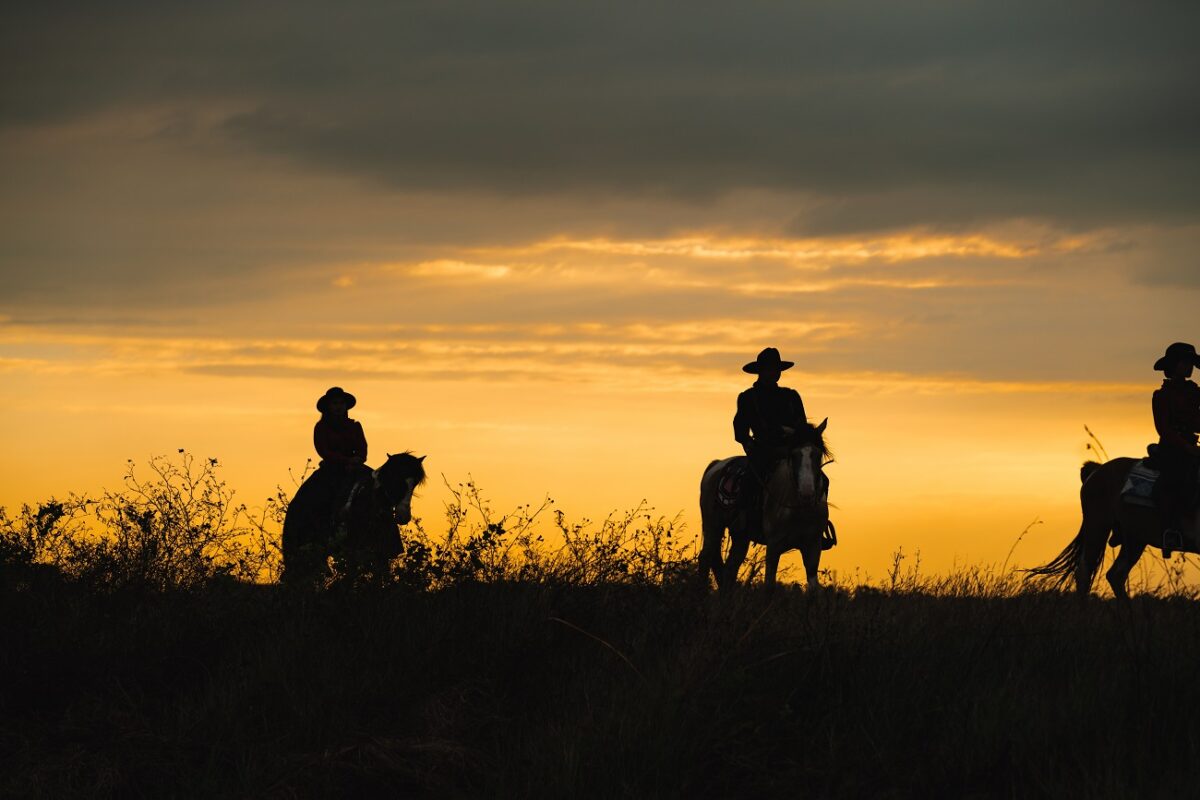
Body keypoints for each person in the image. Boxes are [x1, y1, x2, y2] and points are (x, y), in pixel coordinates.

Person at [733, 347, 809, 531]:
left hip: (791, 449)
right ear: (760, 371)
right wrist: (748, 444)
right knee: (751, 478)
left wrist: (795, 433)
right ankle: (742, 519)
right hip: (763, 449)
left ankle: (815, 523)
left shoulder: (791, 396)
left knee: (816, 476)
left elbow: (802, 424)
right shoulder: (748, 398)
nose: (774, 373)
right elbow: (740, 428)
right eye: (769, 369)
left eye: (776, 369)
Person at [1151, 343, 1200, 552]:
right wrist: (1188, 448)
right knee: (1174, 481)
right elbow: (1164, 429)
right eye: (1185, 362)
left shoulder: (1194, 392)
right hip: (1173, 449)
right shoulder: (1161, 395)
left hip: (1192, 445)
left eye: (1191, 363)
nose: (1189, 367)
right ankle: (1170, 530)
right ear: (1174, 366)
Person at [311, 386, 372, 525]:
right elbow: (323, 451)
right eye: (335, 403)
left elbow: (363, 447)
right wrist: (346, 461)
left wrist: (358, 459)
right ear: (328, 407)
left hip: (355, 467)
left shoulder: (355, 426)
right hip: (331, 468)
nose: (338, 407)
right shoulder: (321, 427)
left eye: (341, 403)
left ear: (346, 406)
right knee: (315, 494)